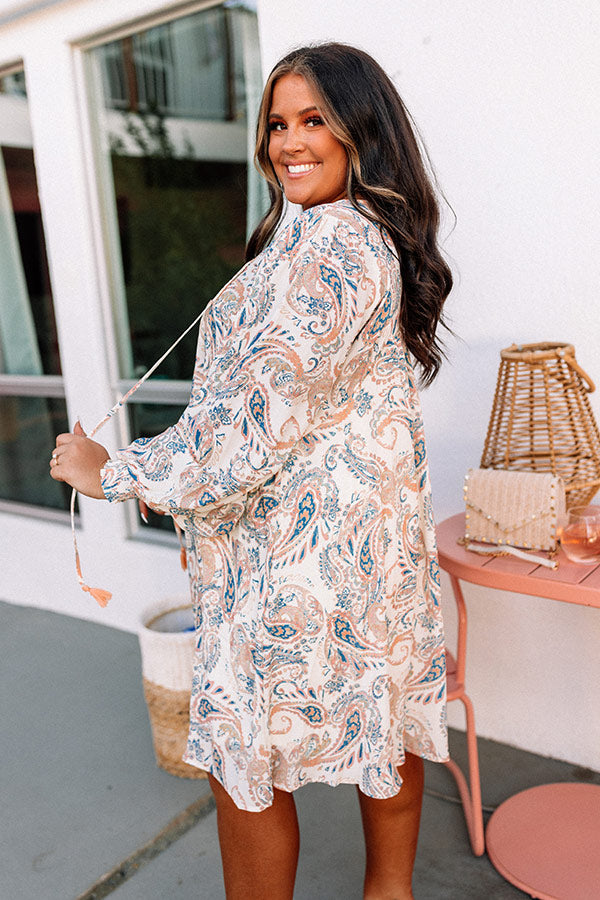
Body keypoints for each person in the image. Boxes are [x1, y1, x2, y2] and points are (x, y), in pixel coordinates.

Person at [50, 42, 452, 900]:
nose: (288, 142)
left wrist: (115, 470)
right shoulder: (334, 238)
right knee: (384, 721)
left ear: (362, 132)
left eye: (314, 120)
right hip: (356, 553)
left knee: (244, 759)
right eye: (276, 123)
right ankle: (391, 891)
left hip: (301, 564)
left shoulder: (337, 248)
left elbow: (253, 424)